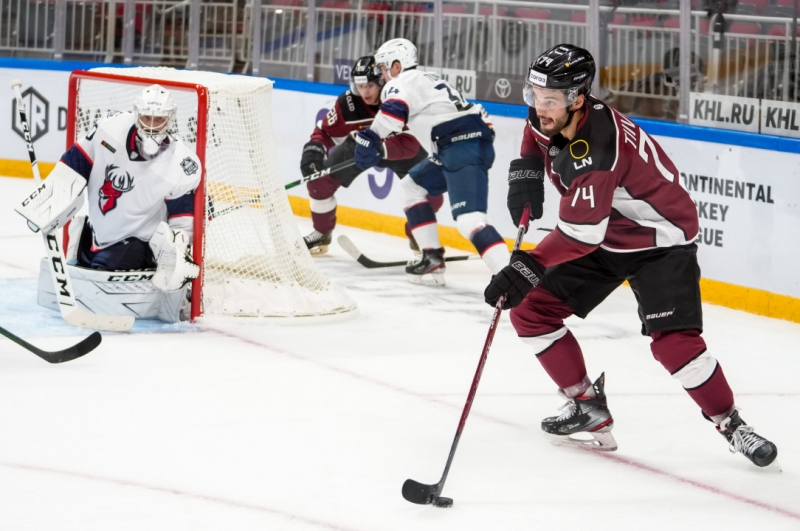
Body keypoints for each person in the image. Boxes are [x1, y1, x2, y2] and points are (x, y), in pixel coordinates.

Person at [483, 44, 778, 467]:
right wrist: (527, 168)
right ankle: (586, 405)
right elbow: (536, 129)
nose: (538, 107)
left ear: (578, 98)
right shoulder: (559, 112)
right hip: (607, 234)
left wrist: (530, 265)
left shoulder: (599, 151)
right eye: (533, 94)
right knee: (531, 312)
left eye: (549, 100)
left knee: (674, 345)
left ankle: (731, 424)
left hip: (660, 242)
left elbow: (581, 236)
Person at [21, 84, 202, 320]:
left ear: (170, 119)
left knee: (99, 278)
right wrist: (50, 201)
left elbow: (182, 223)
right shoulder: (109, 129)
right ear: (136, 114)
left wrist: (176, 257)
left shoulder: (180, 163)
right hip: (97, 234)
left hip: (136, 242)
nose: (150, 125)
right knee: (78, 262)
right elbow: (75, 163)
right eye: (146, 117)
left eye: (158, 120)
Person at [356, 38, 509, 286]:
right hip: (457, 147)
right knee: (411, 188)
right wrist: (379, 146)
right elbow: (478, 115)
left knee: (470, 219)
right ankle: (431, 259)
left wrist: (370, 138)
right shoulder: (430, 79)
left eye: (384, 68)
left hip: (459, 147)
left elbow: (394, 112)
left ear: (397, 66)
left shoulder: (402, 81)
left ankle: (514, 279)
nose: (383, 75)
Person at [300, 55, 437, 255]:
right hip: (362, 146)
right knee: (319, 182)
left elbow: (413, 142)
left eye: (369, 86)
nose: (364, 92)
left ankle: (420, 237)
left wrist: (380, 149)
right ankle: (321, 233)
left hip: (402, 148)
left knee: (429, 189)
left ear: (381, 81)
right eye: (359, 86)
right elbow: (325, 131)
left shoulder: (400, 96)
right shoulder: (349, 103)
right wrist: (313, 150)